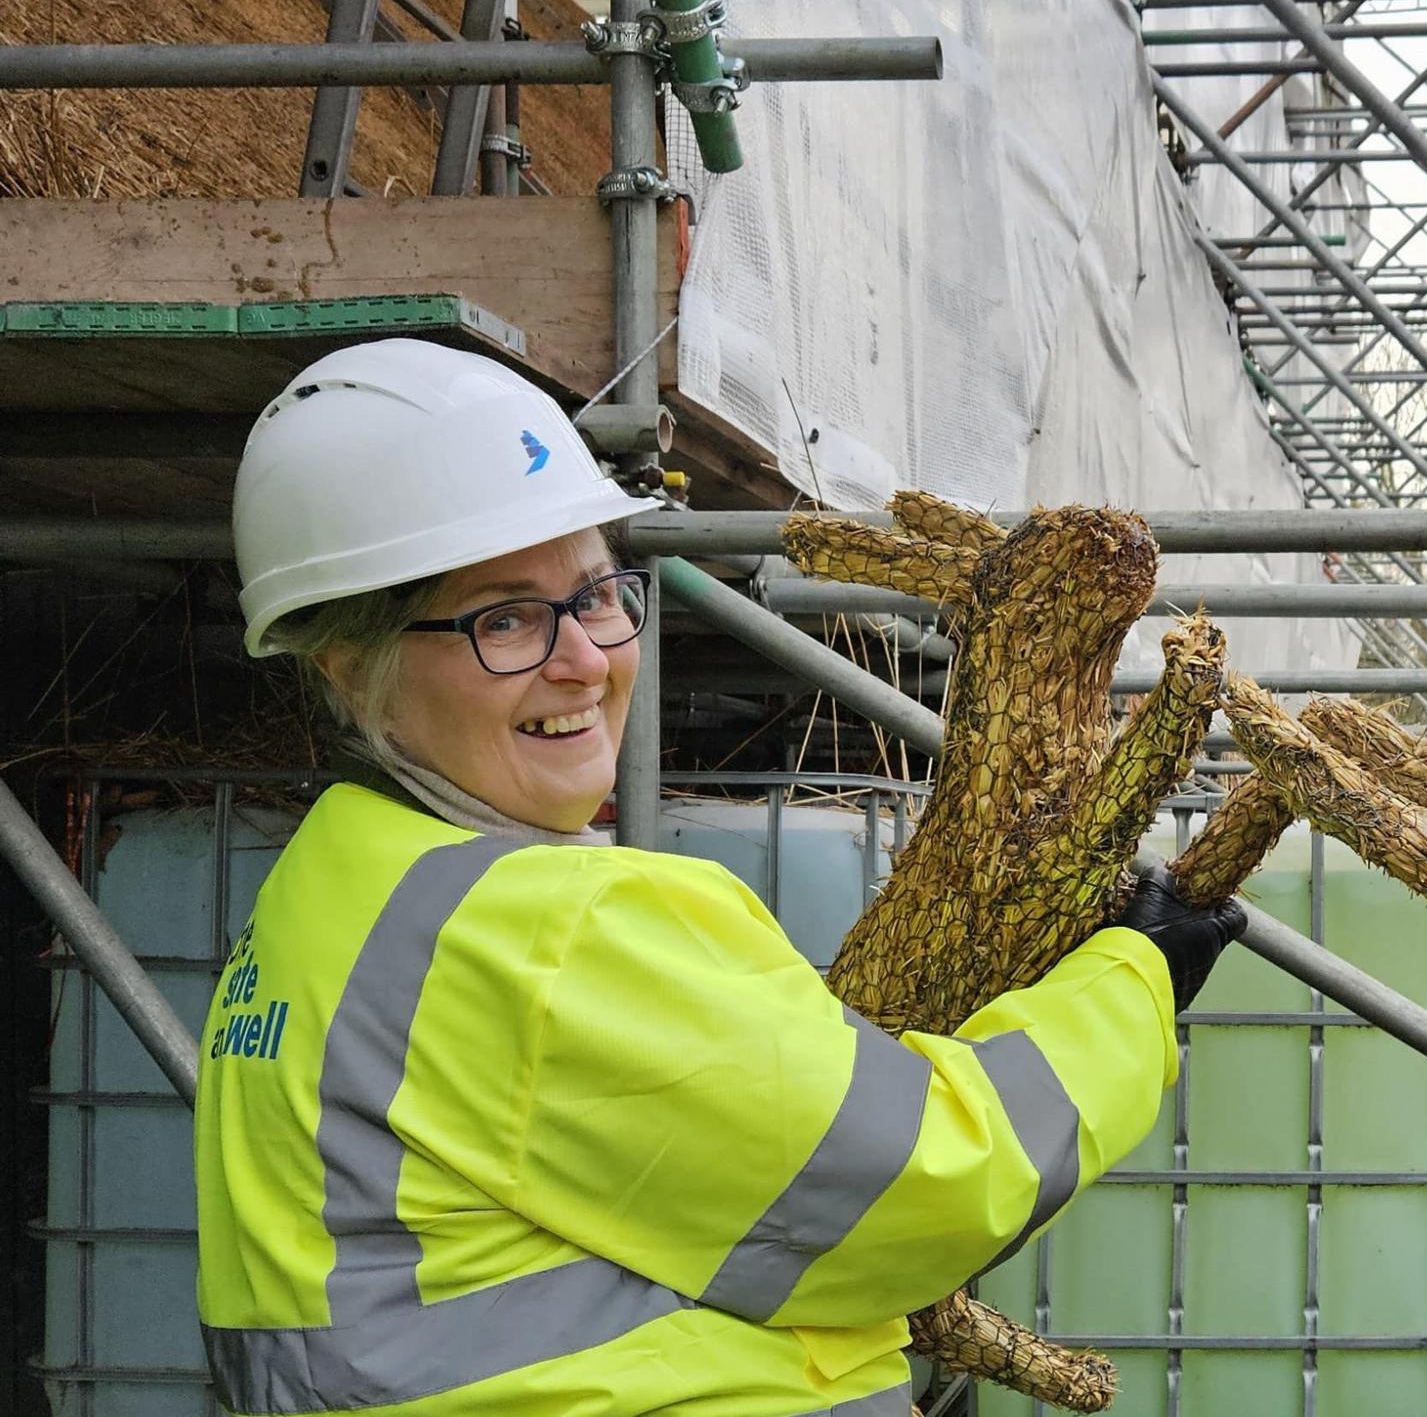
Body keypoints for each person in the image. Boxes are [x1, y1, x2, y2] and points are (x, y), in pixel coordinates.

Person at [195, 338, 1243, 1416]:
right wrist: (1135, 982)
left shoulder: (326, 898)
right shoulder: (540, 931)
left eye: (598, 594)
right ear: (343, 660)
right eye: (503, 618)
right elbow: (923, 1183)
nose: (585, 660)